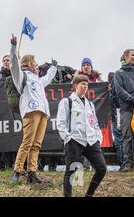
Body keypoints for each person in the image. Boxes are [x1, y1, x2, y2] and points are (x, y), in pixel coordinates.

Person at [9, 34, 57, 184]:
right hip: (31, 111)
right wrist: (13, 46)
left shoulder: (37, 79)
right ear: (29, 63)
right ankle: (17, 170)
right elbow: (13, 65)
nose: (37, 65)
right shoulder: (22, 76)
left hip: (43, 113)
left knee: (36, 144)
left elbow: (47, 78)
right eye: (35, 62)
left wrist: (54, 67)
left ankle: (32, 172)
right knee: (27, 142)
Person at [57, 75, 107, 197]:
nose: (85, 86)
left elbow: (94, 123)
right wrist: (68, 139)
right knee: (71, 171)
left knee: (102, 168)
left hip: (91, 140)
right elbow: (61, 123)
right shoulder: (67, 102)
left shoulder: (90, 104)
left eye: (86, 84)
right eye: (82, 84)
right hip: (74, 140)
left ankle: (89, 194)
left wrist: (98, 138)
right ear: (75, 86)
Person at [108, 72, 124, 168]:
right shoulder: (119, 88)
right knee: (121, 140)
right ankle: (123, 163)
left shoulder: (111, 92)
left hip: (115, 116)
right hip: (120, 115)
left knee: (119, 141)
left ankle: (122, 163)